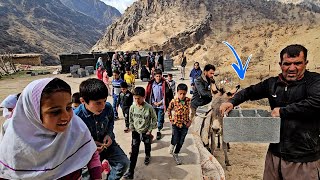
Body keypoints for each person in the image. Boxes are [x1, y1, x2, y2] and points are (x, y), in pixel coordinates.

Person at [220, 44, 320, 180]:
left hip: (303, 159)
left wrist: (283, 111)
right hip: (274, 155)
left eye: (297, 63)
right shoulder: (272, 83)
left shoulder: (314, 81)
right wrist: (231, 102)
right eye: (287, 64)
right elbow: (249, 92)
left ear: (306, 63)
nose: (292, 68)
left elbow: (316, 102)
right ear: (280, 64)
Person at [0, 78, 101, 179]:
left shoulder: (76, 126)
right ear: (33, 112)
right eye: (55, 112)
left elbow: (91, 152)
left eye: (68, 108)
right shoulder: (15, 144)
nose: (66, 117)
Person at [74, 78, 130, 180]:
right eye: (98, 103)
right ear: (83, 101)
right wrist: (91, 144)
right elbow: (73, 141)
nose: (103, 106)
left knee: (123, 163)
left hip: (107, 145)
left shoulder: (108, 108)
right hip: (88, 152)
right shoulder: (75, 117)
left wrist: (109, 134)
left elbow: (110, 122)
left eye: (104, 101)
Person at [123, 87, 157, 179]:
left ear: (144, 97)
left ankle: (147, 155)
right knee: (134, 152)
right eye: (135, 98)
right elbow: (130, 119)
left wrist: (150, 130)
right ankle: (130, 172)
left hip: (146, 132)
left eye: (139, 98)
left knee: (147, 145)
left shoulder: (149, 108)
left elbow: (154, 120)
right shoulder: (132, 107)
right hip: (135, 132)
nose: (137, 100)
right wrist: (132, 128)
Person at [146, 69, 174, 140]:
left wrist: (160, 102)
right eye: (157, 76)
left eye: (159, 76)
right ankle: (150, 132)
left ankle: (158, 131)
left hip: (161, 105)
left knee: (160, 119)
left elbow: (167, 95)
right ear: (154, 76)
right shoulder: (151, 84)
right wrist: (153, 102)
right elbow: (150, 95)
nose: (158, 77)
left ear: (161, 76)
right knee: (153, 119)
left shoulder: (165, 84)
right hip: (153, 105)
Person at [167, 83, 192, 165]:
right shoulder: (174, 101)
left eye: (184, 94)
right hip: (176, 124)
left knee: (181, 141)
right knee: (175, 138)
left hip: (185, 125)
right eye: (180, 93)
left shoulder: (189, 101)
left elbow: (193, 111)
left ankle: (176, 153)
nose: (182, 95)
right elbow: (169, 110)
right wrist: (171, 119)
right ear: (177, 93)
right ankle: (172, 145)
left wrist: (190, 121)